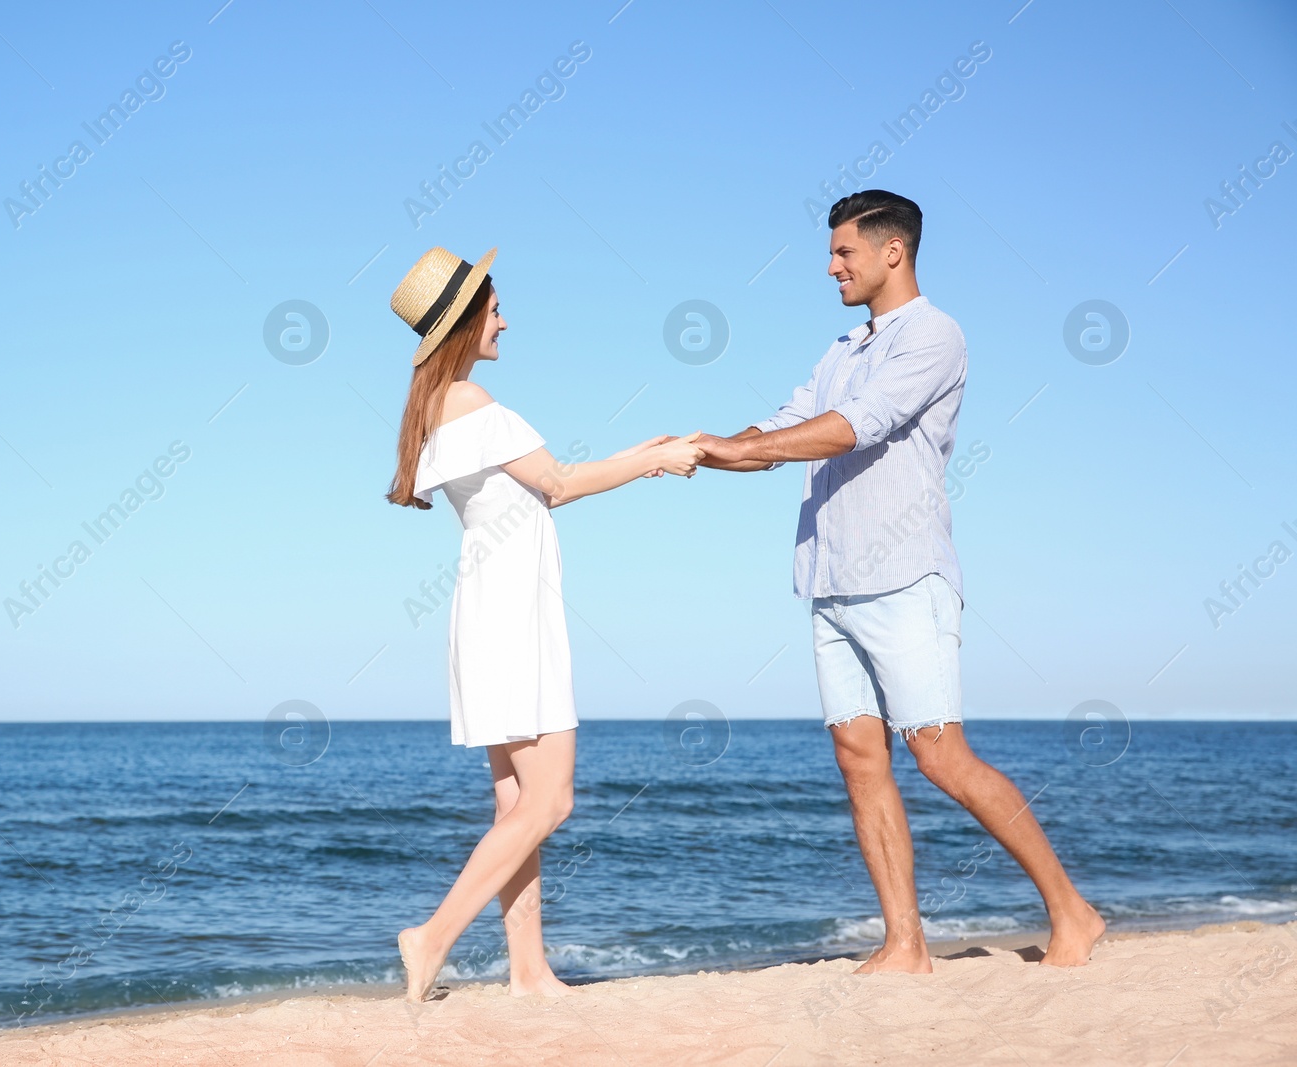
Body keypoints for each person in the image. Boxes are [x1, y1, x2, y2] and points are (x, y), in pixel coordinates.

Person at [695, 190, 1106, 971]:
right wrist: (710, 446)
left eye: (843, 252)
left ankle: (1072, 911)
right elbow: (783, 421)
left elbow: (858, 426)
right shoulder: (841, 347)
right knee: (859, 760)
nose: (831, 266)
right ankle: (906, 943)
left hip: (904, 576)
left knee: (941, 755)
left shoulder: (935, 336)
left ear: (893, 252)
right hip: (828, 578)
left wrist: (743, 448)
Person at [386, 246, 704, 1001]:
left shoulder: (443, 405)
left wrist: (646, 449)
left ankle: (528, 970)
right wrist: (655, 464)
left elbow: (549, 474)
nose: (504, 318)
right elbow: (558, 483)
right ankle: (431, 936)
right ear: (463, 321)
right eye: (494, 307)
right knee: (551, 800)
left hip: (491, 612)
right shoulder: (475, 402)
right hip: (512, 617)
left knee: (517, 804)